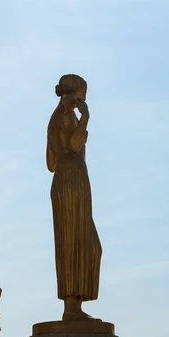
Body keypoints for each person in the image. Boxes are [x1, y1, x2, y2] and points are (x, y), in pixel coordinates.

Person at [47, 74, 103, 322]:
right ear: (73, 93)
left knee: (88, 245)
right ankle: (71, 307)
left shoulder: (61, 116)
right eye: (83, 94)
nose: (85, 99)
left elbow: (50, 162)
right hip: (70, 182)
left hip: (73, 181)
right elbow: (74, 145)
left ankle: (75, 305)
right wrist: (86, 118)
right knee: (74, 242)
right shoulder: (64, 116)